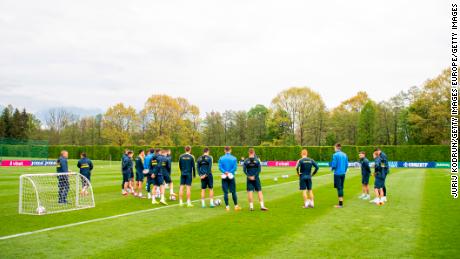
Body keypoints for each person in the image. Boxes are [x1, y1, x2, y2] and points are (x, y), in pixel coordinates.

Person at [218, 146, 241, 211]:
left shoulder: (221, 158)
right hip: (231, 176)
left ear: (224, 150)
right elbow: (235, 168)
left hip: (224, 176)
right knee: (233, 192)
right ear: (230, 150)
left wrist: (225, 172)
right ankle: (236, 206)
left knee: (225, 192)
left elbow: (220, 167)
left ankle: (227, 207)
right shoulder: (234, 158)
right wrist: (229, 172)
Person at [331, 143, 348, 208]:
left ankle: (340, 204)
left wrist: (332, 168)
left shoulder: (335, 155)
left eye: (334, 148)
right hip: (343, 173)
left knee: (339, 188)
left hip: (337, 173)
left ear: (336, 147)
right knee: (341, 187)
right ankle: (341, 202)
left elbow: (334, 164)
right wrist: (344, 171)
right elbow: (346, 164)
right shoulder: (345, 154)